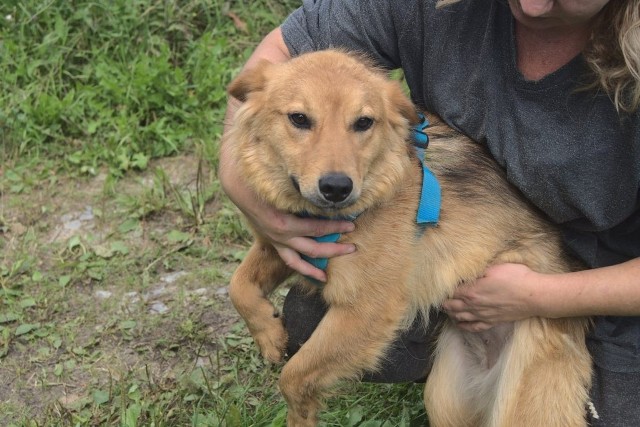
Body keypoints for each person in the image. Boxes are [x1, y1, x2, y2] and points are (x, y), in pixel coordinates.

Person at [219, 0, 640, 425]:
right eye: (299, 119)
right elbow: (274, 55)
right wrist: (259, 207)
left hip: (600, 286)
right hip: (478, 243)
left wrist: (535, 296)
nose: (534, 4)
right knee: (319, 320)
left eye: (362, 123)